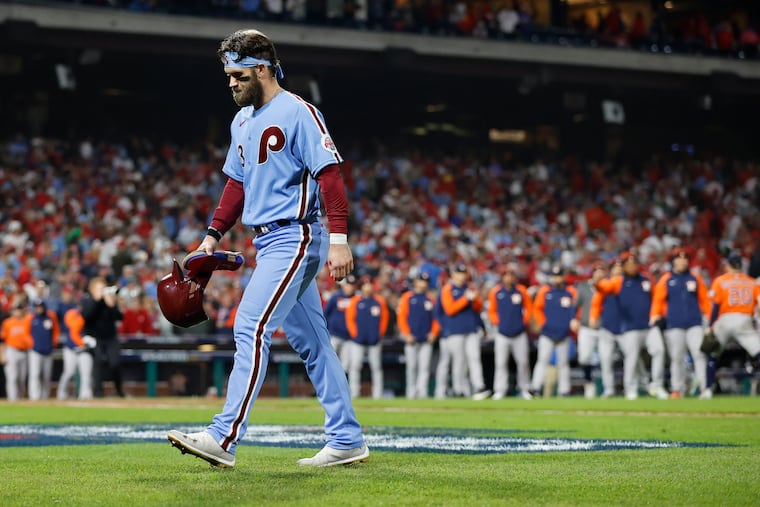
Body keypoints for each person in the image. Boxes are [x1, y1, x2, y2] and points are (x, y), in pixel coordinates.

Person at [168, 29, 368, 468]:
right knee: (314, 343)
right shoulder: (241, 121)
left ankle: (224, 436)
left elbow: (329, 175)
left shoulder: (299, 112)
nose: (231, 83)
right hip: (269, 240)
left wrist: (339, 240)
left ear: (262, 69)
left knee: (249, 327)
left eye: (238, 74)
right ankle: (347, 437)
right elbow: (237, 184)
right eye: (227, 76)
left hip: (296, 235)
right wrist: (211, 236)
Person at [594, 252, 668, 400]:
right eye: (628, 264)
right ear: (624, 266)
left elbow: (657, 299)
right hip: (629, 327)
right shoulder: (618, 281)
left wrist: (656, 314)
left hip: (648, 325)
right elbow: (604, 288)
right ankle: (631, 389)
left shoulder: (646, 280)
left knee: (659, 350)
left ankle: (657, 385)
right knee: (631, 359)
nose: (632, 267)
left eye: (634, 264)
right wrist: (597, 282)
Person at [649, 248, 712, 398]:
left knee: (699, 354)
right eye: (679, 258)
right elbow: (658, 300)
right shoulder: (667, 279)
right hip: (674, 324)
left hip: (694, 323)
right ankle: (678, 389)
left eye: (685, 259)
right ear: (673, 261)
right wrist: (655, 315)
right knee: (677, 357)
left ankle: (705, 388)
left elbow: (705, 300)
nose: (682, 261)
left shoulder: (695, 278)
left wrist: (710, 319)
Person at [702, 252, 760, 399]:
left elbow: (715, 307)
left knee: (712, 353)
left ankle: (708, 389)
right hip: (744, 320)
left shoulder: (720, 281)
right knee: (758, 353)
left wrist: (710, 326)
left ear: (728, 266)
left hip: (725, 319)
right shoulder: (752, 282)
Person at [440, 263, 491, 400]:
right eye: (459, 273)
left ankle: (479, 386)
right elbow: (449, 309)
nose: (461, 276)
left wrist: (474, 298)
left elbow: (478, 308)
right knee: (459, 361)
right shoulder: (448, 289)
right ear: (453, 274)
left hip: (471, 329)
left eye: (463, 273)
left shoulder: (470, 288)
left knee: (474, 358)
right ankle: (458, 389)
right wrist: (465, 299)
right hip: (455, 330)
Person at [528, 266, 579, 397]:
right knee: (542, 360)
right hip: (547, 333)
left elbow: (576, 309)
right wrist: (543, 323)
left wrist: (573, 320)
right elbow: (537, 309)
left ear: (563, 276)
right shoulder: (545, 290)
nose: (557, 278)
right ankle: (535, 387)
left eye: (559, 275)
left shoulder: (570, 291)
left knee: (563, 363)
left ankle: (564, 390)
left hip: (564, 333)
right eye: (555, 276)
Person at [487, 265, 533, 400]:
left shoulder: (521, 291)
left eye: (511, 275)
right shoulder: (496, 292)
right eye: (506, 275)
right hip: (502, 333)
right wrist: (498, 322)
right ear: (502, 277)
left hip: (519, 332)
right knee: (500, 363)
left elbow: (528, 309)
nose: (509, 278)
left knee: (523, 362)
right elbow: (491, 311)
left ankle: (525, 388)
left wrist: (523, 322)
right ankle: (500, 389)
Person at [397, 271, 439, 399]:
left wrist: (434, 333)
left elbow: (436, 318)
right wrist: (406, 334)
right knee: (411, 368)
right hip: (411, 338)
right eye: (421, 281)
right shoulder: (407, 297)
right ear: (415, 282)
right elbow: (401, 317)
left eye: (425, 282)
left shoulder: (431, 298)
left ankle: (422, 393)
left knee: (425, 368)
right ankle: (411, 393)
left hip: (426, 339)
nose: (423, 284)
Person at [345, 278, 389, 399]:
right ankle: (354, 393)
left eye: (369, 285)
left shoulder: (379, 301)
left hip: (374, 340)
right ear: (361, 287)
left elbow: (384, 319)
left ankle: (377, 394)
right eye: (365, 285)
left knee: (376, 367)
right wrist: (355, 334)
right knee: (355, 366)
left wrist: (379, 334)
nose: (368, 288)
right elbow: (350, 319)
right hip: (357, 340)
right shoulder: (355, 301)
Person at [81, 276, 125, 398]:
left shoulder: (108, 301)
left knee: (115, 363)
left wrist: (112, 304)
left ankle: (119, 390)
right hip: (96, 338)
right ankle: (99, 392)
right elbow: (87, 316)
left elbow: (120, 317)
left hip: (110, 337)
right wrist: (99, 301)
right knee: (98, 362)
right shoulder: (88, 301)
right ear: (92, 290)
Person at [575, 262, 611, 398]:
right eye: (597, 271)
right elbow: (575, 305)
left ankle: (608, 388)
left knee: (606, 359)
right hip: (586, 327)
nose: (600, 273)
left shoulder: (610, 287)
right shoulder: (584, 287)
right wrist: (574, 319)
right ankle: (589, 383)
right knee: (584, 357)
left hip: (604, 327)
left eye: (602, 271)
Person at [57, 303, 94, 400]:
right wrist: (83, 342)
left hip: (85, 350)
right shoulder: (74, 315)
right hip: (71, 348)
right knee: (69, 372)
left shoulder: (94, 317)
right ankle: (61, 392)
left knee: (85, 373)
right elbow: (74, 334)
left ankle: (85, 394)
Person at [324, 273, 358, 372]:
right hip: (334, 335)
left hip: (349, 337)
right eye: (348, 285)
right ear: (344, 285)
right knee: (328, 362)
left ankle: (341, 387)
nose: (350, 287)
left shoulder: (357, 299)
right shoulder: (336, 297)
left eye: (352, 285)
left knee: (345, 366)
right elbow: (326, 313)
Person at [27, 299, 60, 400]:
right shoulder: (31, 318)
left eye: (40, 307)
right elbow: (26, 333)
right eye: (37, 307)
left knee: (47, 375)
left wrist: (53, 343)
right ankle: (34, 396)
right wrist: (32, 344)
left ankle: (45, 396)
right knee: (35, 374)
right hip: (35, 351)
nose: (39, 309)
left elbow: (56, 331)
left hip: (48, 350)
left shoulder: (50, 317)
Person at [1, 300, 33, 400]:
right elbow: (2, 340)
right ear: (13, 311)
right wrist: (2, 355)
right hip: (11, 351)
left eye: (20, 309)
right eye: (16, 309)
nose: (18, 311)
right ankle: (12, 399)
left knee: (22, 378)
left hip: (24, 352)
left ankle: (20, 399)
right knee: (12, 377)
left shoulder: (27, 321)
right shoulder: (7, 323)